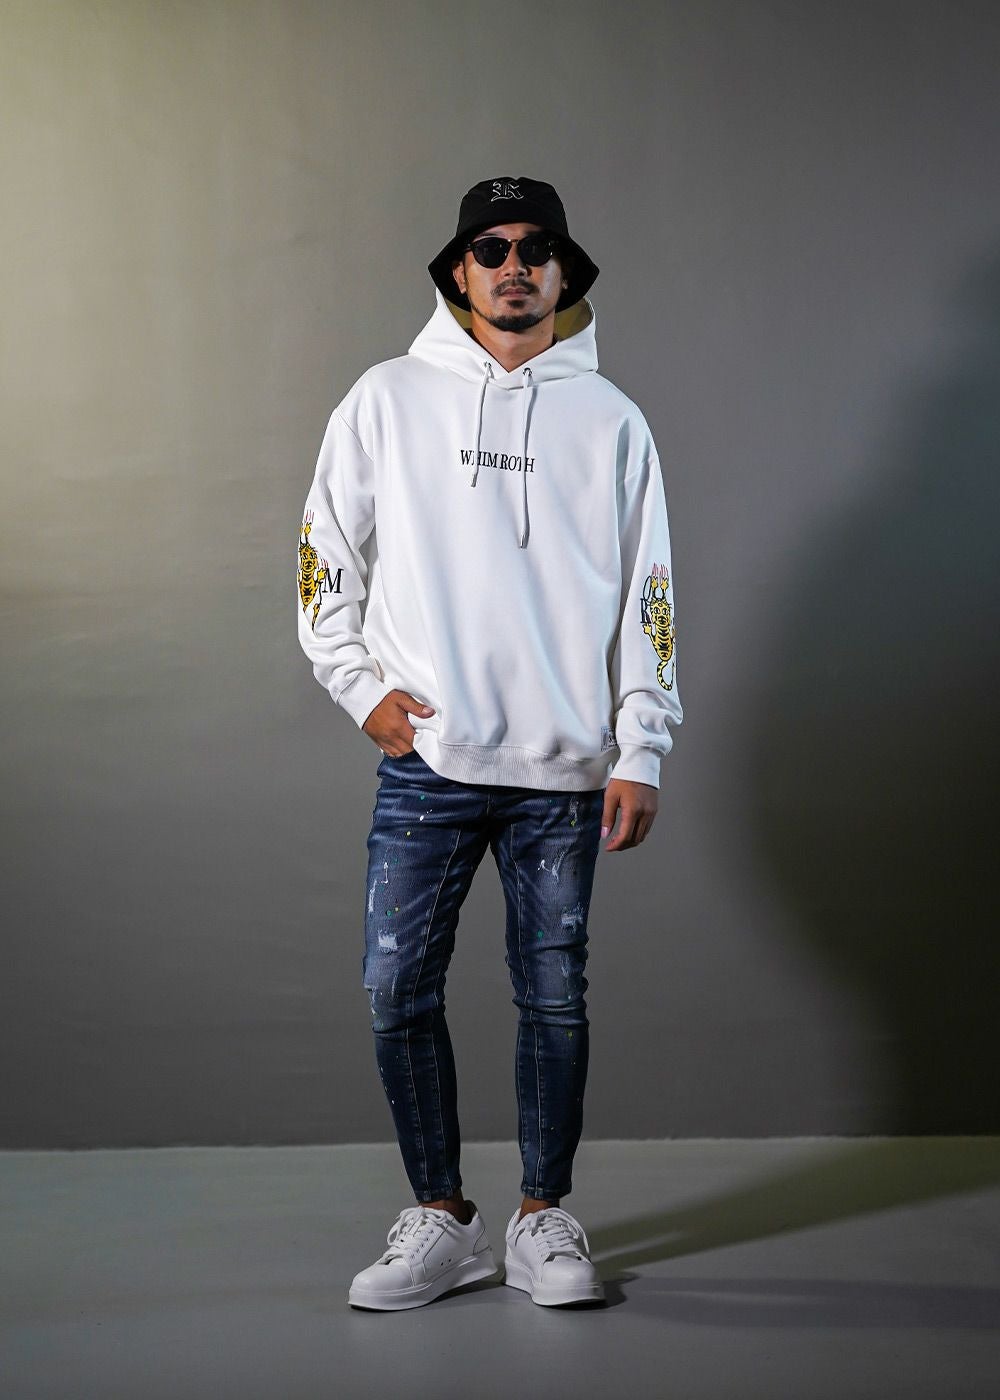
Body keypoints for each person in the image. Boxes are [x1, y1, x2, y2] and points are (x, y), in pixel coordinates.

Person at [297, 175, 682, 1310]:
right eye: (492, 247)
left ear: (564, 273)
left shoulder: (612, 420)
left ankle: (539, 1218)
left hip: (564, 768)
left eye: (536, 248)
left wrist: (641, 744)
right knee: (393, 988)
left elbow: (650, 593)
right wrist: (358, 686)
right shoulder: (387, 397)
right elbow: (323, 550)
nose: (515, 265)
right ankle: (443, 1217)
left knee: (552, 997)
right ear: (458, 272)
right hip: (428, 761)